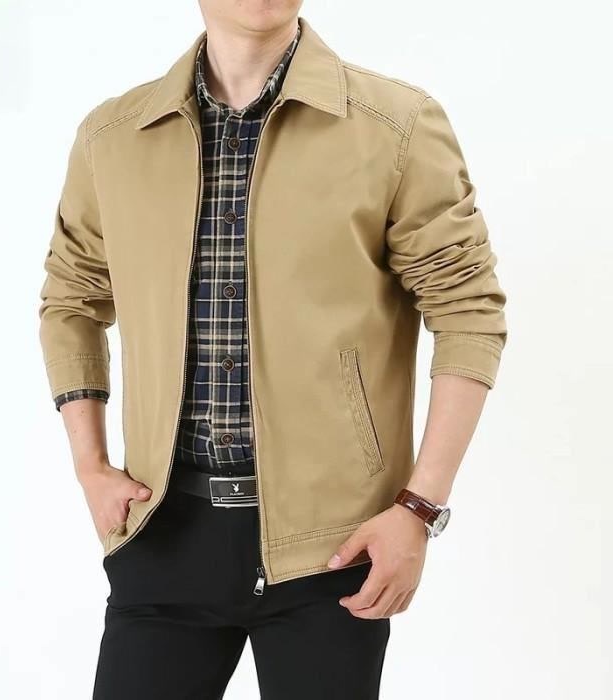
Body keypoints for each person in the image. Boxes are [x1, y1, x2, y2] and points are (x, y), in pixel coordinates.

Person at [38, 2, 507, 698]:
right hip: (163, 534)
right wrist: (90, 465)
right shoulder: (114, 137)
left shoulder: (395, 126)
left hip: (336, 550)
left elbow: (468, 310)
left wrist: (418, 507)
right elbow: (71, 300)